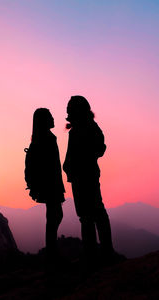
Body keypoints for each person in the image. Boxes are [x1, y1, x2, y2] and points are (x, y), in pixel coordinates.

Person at [63, 95, 115, 263]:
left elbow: (100, 148)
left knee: (95, 213)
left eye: (70, 109)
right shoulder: (78, 129)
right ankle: (93, 254)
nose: (68, 112)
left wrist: (82, 159)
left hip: (87, 176)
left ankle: (103, 252)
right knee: (87, 216)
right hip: (79, 177)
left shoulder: (88, 128)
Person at [24, 108, 65, 265]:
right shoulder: (46, 139)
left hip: (50, 185)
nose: (53, 118)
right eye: (50, 116)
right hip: (50, 185)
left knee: (53, 217)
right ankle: (52, 256)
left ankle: (52, 255)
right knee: (54, 218)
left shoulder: (41, 138)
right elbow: (50, 167)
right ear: (44, 120)